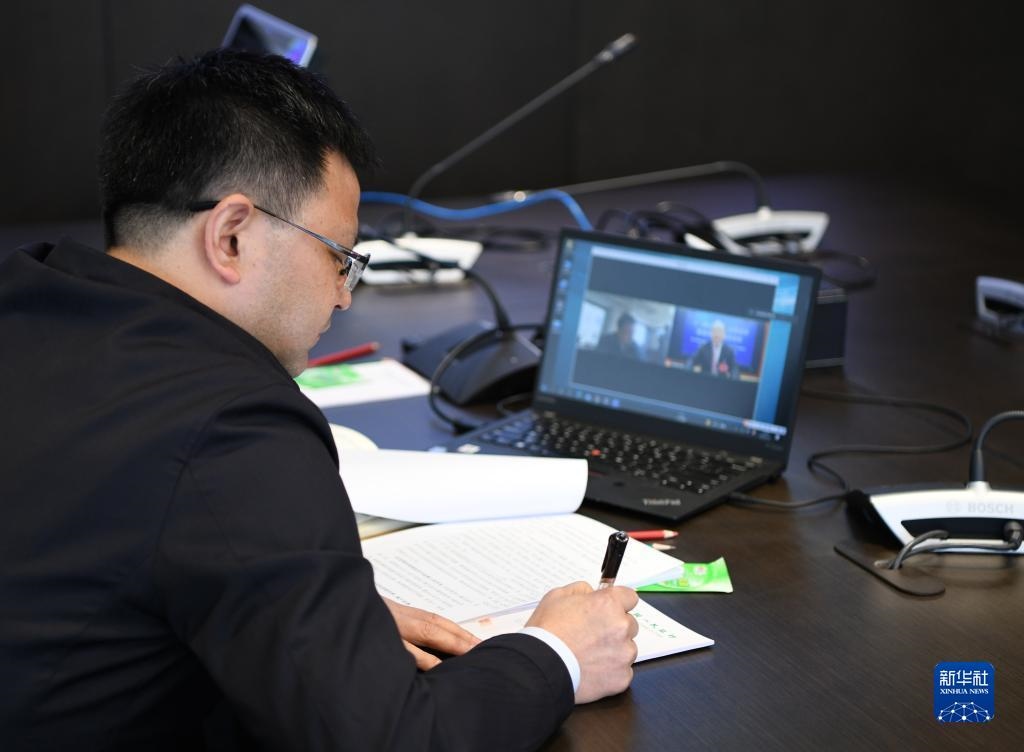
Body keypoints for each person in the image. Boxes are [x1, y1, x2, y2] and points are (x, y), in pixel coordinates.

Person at [0, 50, 639, 751]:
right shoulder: (233, 426)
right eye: (340, 256)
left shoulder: (29, 298)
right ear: (231, 236)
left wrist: (295, 614)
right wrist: (558, 654)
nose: (343, 295)